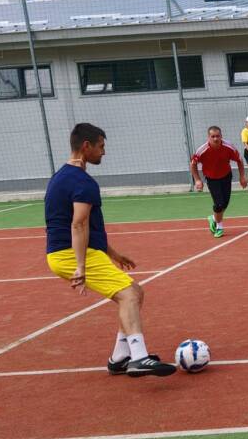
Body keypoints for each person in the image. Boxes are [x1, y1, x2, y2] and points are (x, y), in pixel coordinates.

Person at [44, 123, 175, 376]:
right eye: (101, 146)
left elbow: (87, 227)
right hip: (69, 253)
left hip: (71, 252)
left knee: (135, 291)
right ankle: (139, 358)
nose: (104, 152)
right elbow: (78, 224)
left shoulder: (60, 177)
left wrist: (112, 254)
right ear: (86, 146)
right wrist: (80, 266)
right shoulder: (83, 182)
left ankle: (120, 357)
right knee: (128, 295)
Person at [190, 125, 247, 238]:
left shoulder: (229, 147)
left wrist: (242, 177)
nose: (215, 139)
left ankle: (213, 218)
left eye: (217, 136)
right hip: (211, 178)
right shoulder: (202, 150)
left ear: (221, 136)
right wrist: (197, 180)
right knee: (219, 204)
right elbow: (193, 164)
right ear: (208, 137)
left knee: (225, 203)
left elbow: (239, 160)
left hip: (226, 176)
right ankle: (219, 227)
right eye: (213, 136)